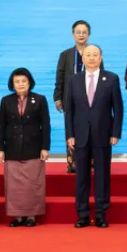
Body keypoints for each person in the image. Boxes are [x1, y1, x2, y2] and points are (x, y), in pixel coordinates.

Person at [65, 44, 123, 228]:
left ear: (100, 57)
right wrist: (69, 135)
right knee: (81, 176)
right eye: (88, 55)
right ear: (82, 58)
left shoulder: (111, 78)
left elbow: (118, 108)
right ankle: (82, 214)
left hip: (103, 135)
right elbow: (69, 110)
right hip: (80, 135)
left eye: (95, 55)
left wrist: (115, 133)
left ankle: (100, 213)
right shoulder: (73, 80)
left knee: (102, 175)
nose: (91, 58)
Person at [0, 67, 50, 227]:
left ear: (29, 82)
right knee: (14, 185)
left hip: (33, 147)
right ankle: (17, 216)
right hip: (12, 147)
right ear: (12, 84)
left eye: (23, 81)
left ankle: (31, 216)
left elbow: (45, 125)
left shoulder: (40, 99)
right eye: (17, 81)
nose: (20, 84)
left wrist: (45, 147)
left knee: (32, 183)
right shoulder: (6, 100)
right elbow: (1, 126)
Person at [54, 19, 91, 173]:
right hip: (70, 98)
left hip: (90, 99)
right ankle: (72, 163)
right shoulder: (66, 55)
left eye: (84, 32)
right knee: (71, 129)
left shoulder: (94, 52)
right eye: (78, 32)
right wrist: (58, 97)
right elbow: (60, 77)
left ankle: (90, 161)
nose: (81, 35)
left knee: (90, 129)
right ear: (73, 34)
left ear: (88, 35)